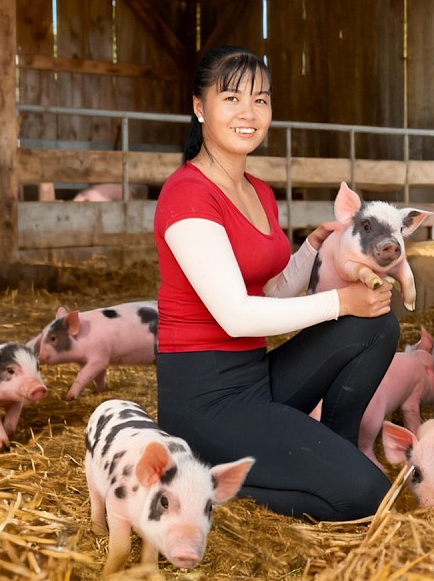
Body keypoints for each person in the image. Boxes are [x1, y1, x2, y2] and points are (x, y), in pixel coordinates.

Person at [153, 45, 400, 521]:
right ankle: (206, 485)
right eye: (232, 98)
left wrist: (309, 251)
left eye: (261, 100)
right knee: (369, 498)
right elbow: (236, 315)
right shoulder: (187, 196)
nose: (249, 113)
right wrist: (341, 301)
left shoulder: (258, 191)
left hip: (254, 378)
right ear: (199, 107)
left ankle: (337, 449)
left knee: (376, 325)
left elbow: (264, 295)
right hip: (206, 403)